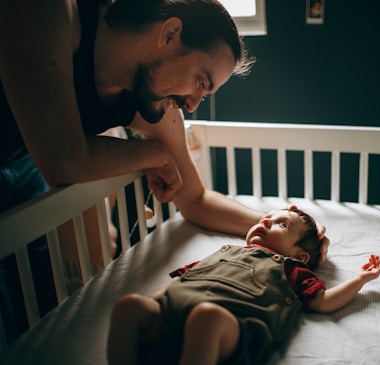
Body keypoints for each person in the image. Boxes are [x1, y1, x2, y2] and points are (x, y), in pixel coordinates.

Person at [0, 0, 328, 341]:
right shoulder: (49, 12)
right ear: (170, 33)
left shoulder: (150, 101)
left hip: (23, 162)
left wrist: (280, 230)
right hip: (35, 158)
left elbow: (196, 198)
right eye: (201, 82)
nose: (192, 104)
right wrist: (153, 153)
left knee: (33, 311)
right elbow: (63, 160)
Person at [107, 206, 380, 365]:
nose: (265, 221)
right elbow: (182, 279)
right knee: (129, 305)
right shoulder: (224, 251)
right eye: (265, 218)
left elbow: (322, 302)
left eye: (280, 225)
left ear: (300, 255)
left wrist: (361, 279)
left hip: (230, 328)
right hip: (171, 315)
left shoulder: (291, 268)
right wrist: (156, 300)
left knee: (206, 317)